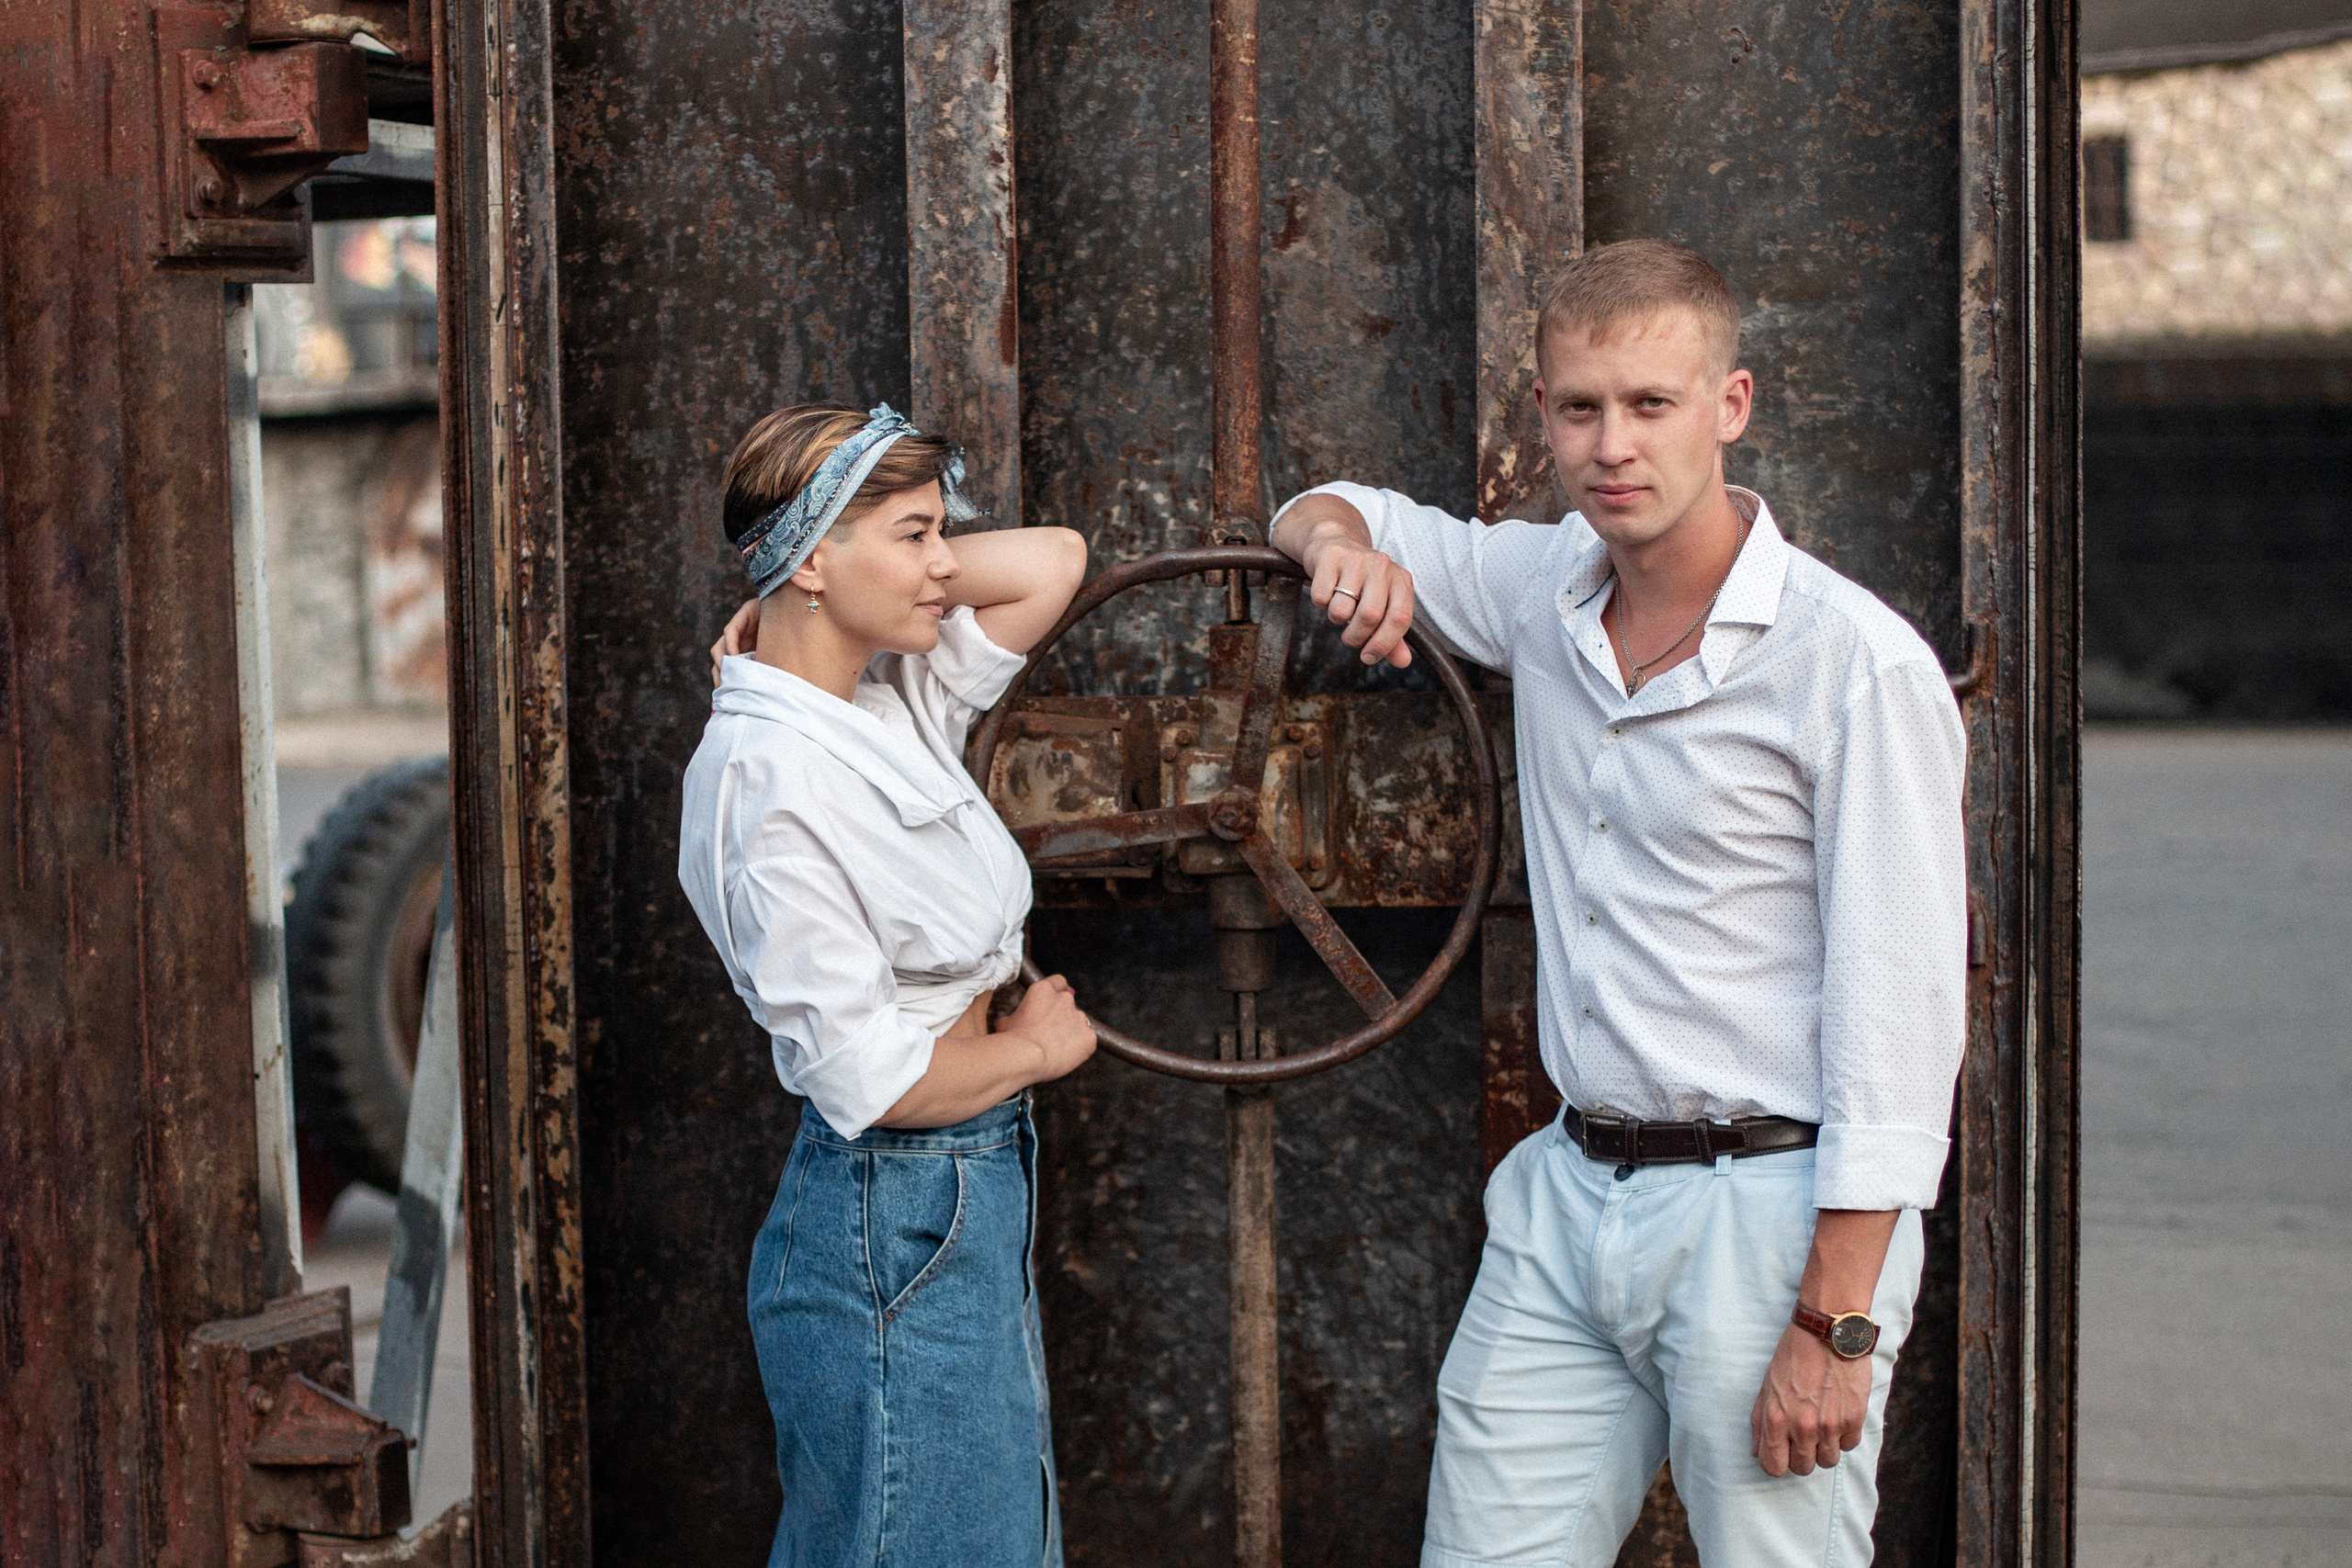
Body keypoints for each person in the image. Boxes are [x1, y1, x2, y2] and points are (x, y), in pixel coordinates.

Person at [1268, 241, 1967, 1568]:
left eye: (1652, 403)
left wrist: (1836, 1322)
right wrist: (1343, 553)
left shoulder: (1853, 664)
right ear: (1541, 415)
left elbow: (1904, 1010)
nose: (1613, 443)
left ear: (1731, 404)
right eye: (1581, 407)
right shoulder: (1544, 589)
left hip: (1769, 1215)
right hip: (1566, 1198)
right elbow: (1321, 500)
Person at [679, 401, 1096, 1568]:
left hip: (946, 1203)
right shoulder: (769, 779)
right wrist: (1035, 1050)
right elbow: (870, 1082)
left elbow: (1052, 561)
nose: (945, 566)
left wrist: (802, 595)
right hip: (894, 1211)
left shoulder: (879, 701)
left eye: (939, 531)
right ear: (816, 559)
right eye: (913, 535)